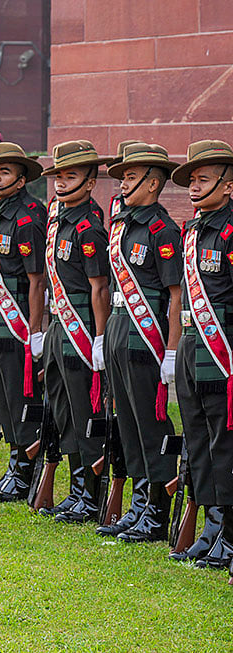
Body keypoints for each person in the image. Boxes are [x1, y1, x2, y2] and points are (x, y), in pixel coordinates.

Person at [99, 143, 181, 541]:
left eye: (131, 178)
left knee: (149, 422)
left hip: (145, 333)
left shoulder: (162, 229)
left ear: (152, 183)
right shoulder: (121, 225)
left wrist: (170, 350)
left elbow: (175, 294)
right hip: (118, 325)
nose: (124, 184)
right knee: (127, 421)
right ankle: (138, 502)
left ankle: (157, 508)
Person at [39, 141, 111, 523]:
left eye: (71, 176)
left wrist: (99, 338)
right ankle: (77, 485)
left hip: (82, 323)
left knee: (84, 407)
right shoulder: (58, 218)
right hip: (58, 324)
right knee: (63, 405)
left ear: (90, 181)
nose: (62, 183)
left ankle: (92, 493)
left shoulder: (89, 226)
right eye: (59, 176)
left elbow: (99, 286)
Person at [171, 140, 233, 569]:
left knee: (223, 441)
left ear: (228, 186)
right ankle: (210, 526)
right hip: (193, 343)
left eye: (204, 179)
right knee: (196, 436)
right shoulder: (192, 229)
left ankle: (228, 530)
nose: (194, 186)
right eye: (192, 180)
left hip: (222, 347)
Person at [0, 142, 47, 501]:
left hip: (18, 316)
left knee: (21, 394)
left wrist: (35, 331)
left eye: (5, 171)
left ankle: (24, 468)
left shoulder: (29, 216)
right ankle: (15, 458)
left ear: (21, 180)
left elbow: (37, 280)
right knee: (2, 394)